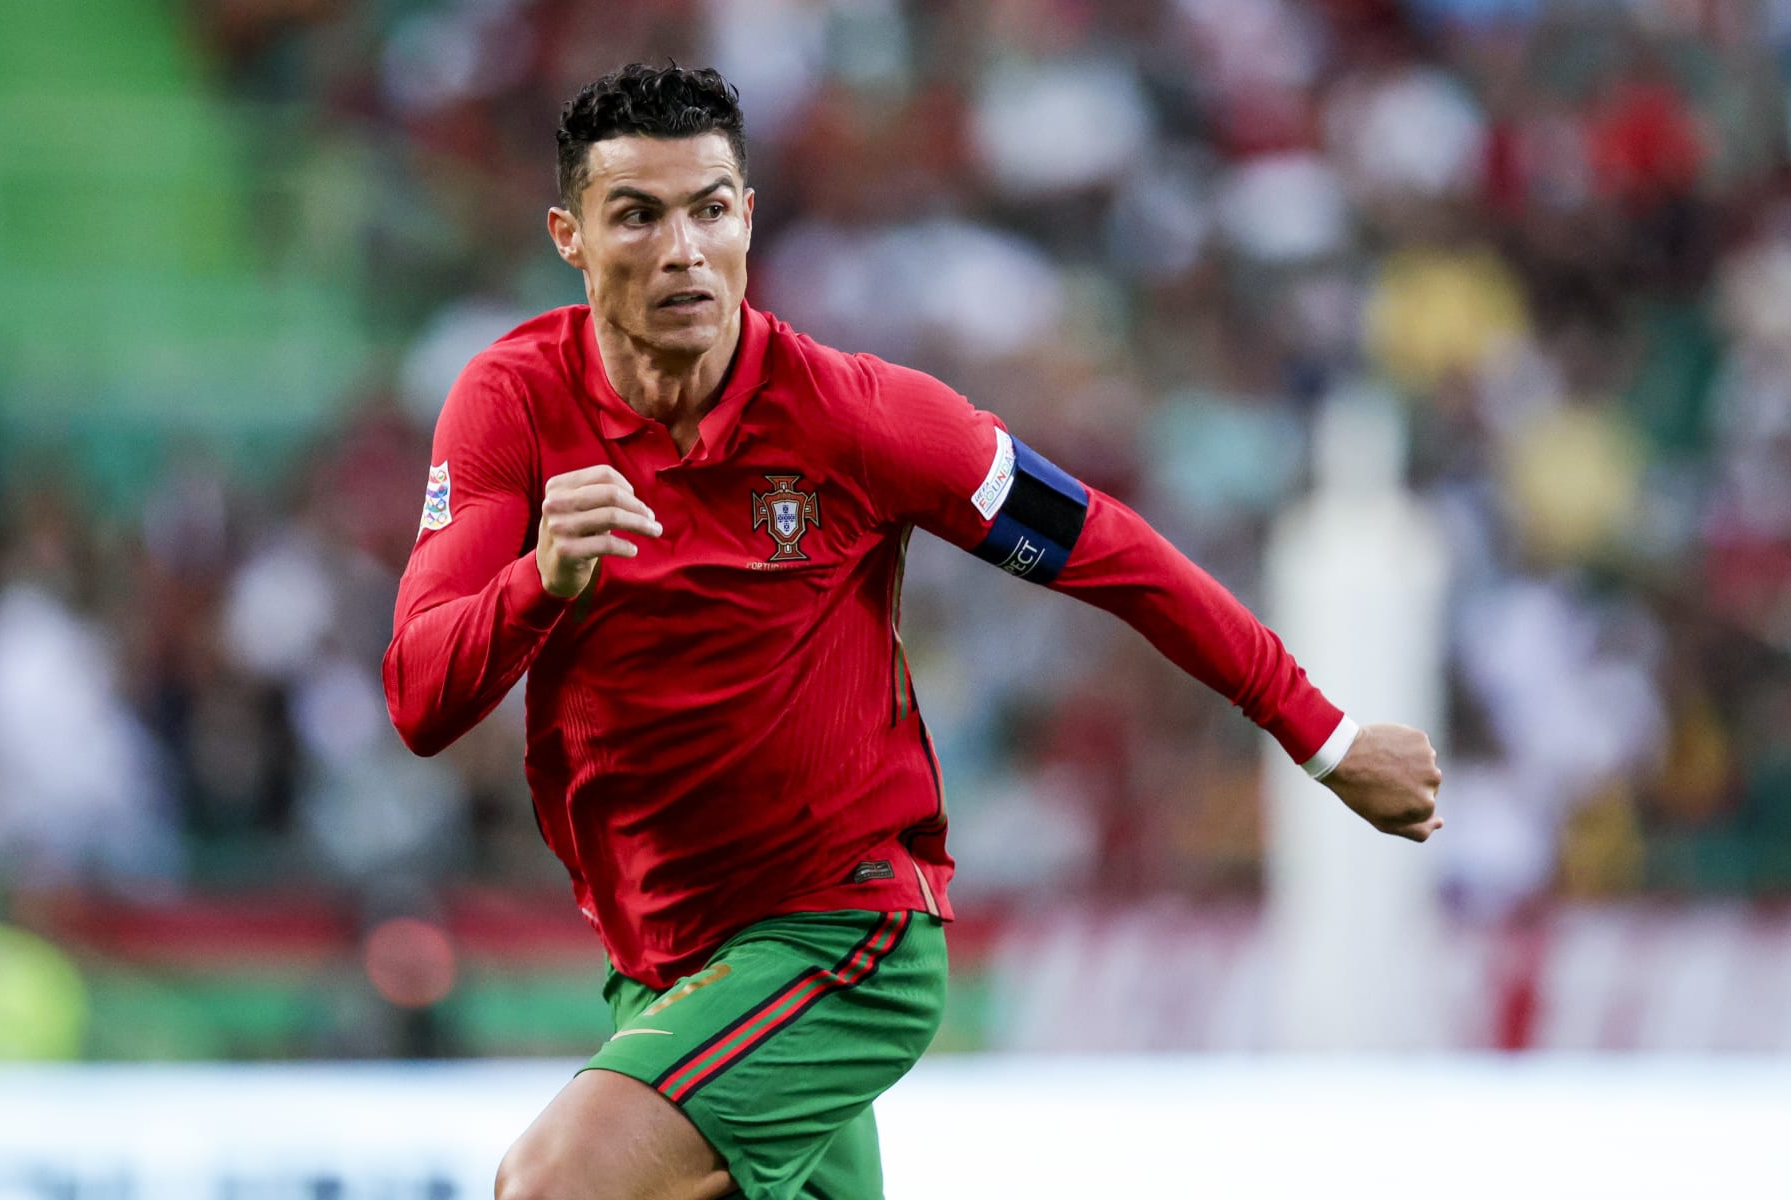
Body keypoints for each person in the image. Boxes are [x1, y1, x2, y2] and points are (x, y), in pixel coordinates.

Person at [382, 63, 1443, 1200]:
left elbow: (1113, 552)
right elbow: (419, 699)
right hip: (664, 961)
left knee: (553, 1187)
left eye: (711, 208)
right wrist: (538, 584)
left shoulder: (855, 415)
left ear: (750, 216)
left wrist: (1323, 740)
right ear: (571, 237)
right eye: (637, 214)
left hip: (840, 938)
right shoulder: (510, 404)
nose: (683, 248)